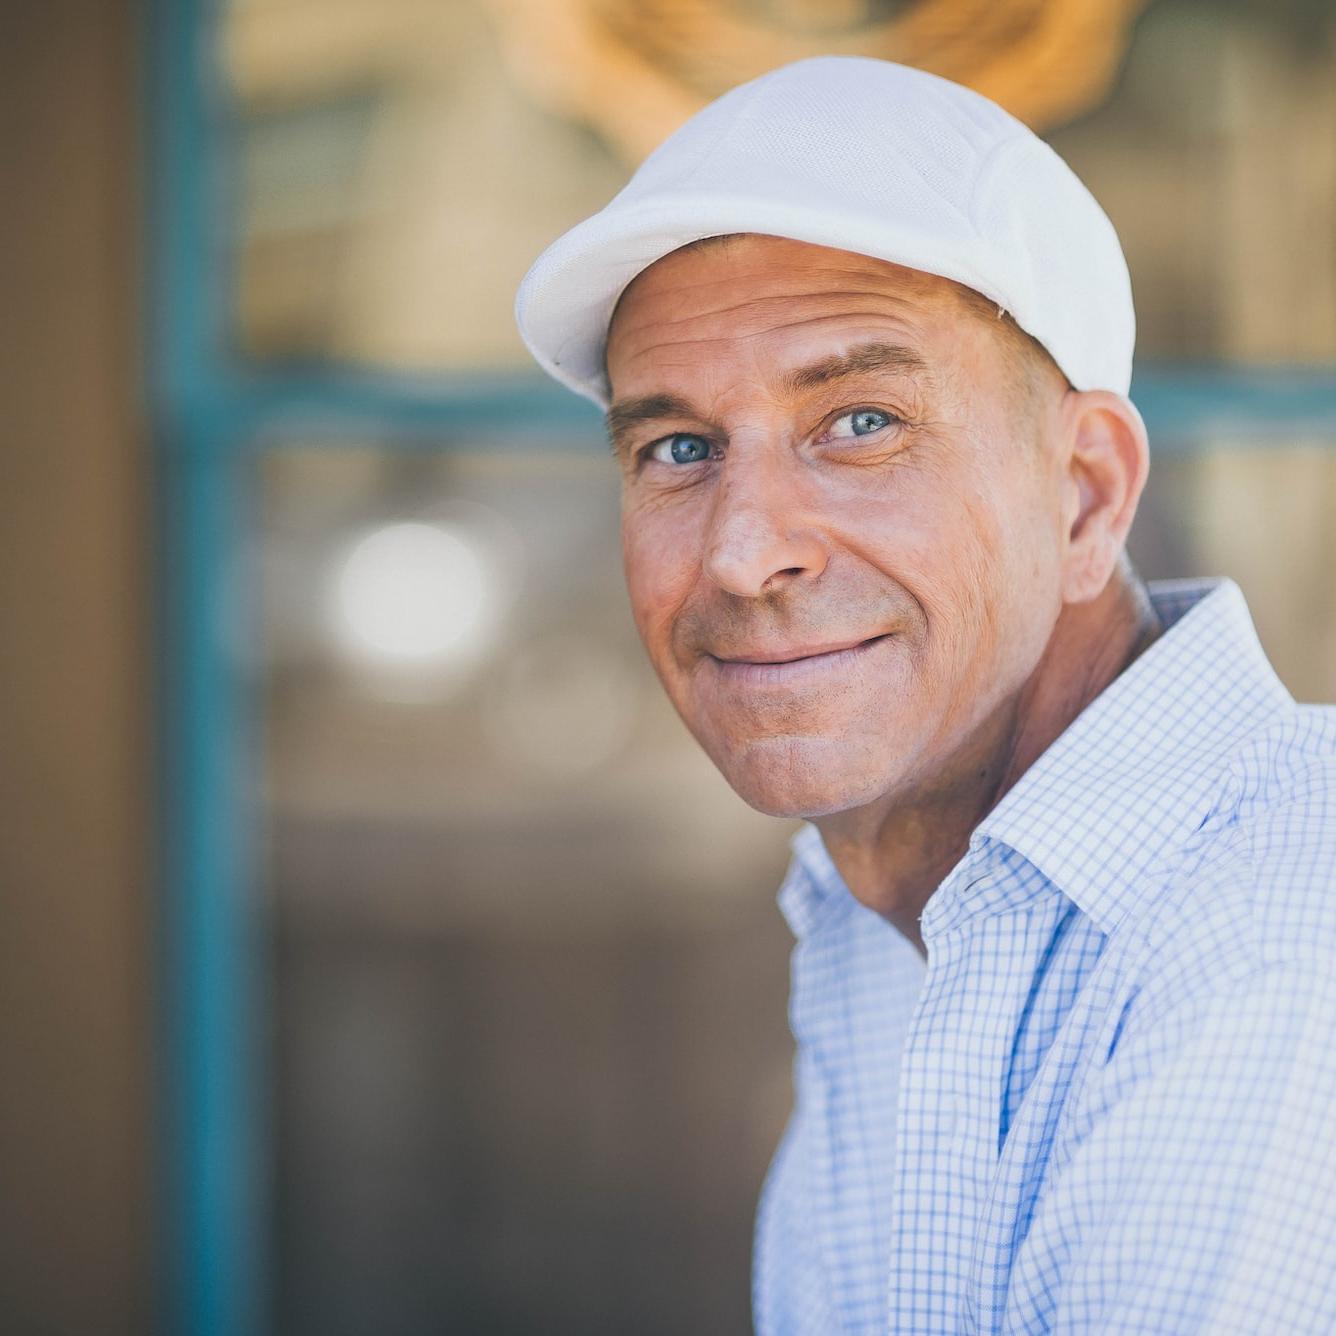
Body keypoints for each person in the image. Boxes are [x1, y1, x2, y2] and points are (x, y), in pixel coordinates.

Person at [515, 56, 1336, 1334]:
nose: (741, 553)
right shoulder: (895, 915)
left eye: (859, 422)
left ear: (1083, 495)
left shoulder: (1272, 942)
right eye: (678, 448)